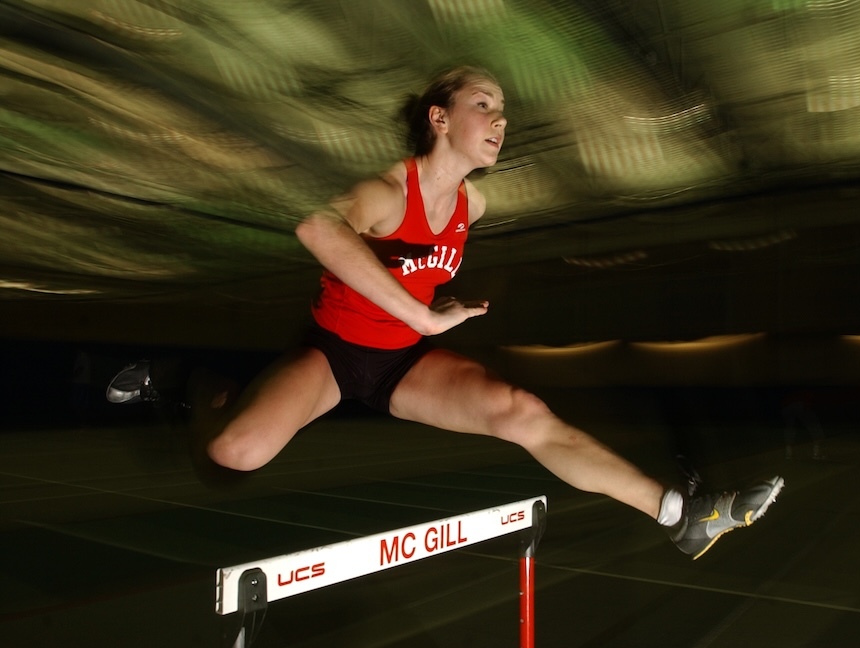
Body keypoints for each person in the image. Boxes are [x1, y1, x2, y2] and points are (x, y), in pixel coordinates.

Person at [108, 66, 783, 560]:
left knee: (521, 411)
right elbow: (316, 230)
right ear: (439, 117)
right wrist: (427, 316)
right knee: (235, 452)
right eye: (484, 104)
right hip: (334, 354)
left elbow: (423, 277)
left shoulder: (473, 207)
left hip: (405, 364)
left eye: (503, 112)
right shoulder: (384, 191)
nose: (500, 120)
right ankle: (189, 380)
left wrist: (428, 321)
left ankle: (681, 515)